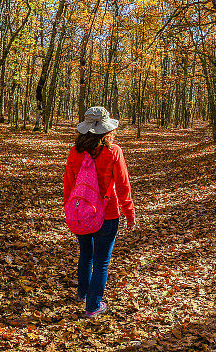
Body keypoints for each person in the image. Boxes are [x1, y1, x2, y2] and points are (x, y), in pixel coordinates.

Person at [63, 106, 136, 318]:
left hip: (81, 212)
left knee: (85, 254)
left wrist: (70, 208)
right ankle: (93, 306)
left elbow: (68, 184)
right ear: (107, 129)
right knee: (101, 261)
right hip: (108, 213)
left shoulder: (75, 152)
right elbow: (123, 185)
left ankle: (83, 294)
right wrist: (129, 213)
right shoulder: (113, 152)